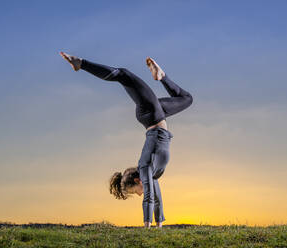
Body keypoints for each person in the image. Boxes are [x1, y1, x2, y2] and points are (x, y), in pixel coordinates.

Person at [59, 51, 193, 228]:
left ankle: (80, 64)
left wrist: (146, 226)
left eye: (135, 191)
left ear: (138, 181)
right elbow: (157, 199)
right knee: (186, 99)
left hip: (151, 114)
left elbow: (149, 198)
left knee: (123, 74)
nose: (139, 195)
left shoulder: (145, 169)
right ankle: (161, 77)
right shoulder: (152, 174)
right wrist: (158, 226)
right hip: (155, 116)